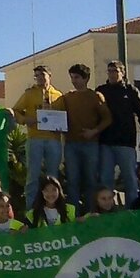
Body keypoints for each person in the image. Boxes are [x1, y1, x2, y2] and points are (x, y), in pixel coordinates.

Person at [52, 64, 111, 209]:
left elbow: (107, 119)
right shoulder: (66, 97)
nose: (74, 81)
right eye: (72, 77)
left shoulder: (96, 96)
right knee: (72, 180)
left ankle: (91, 213)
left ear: (86, 78)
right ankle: (74, 214)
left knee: (91, 180)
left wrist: (94, 131)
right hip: (71, 144)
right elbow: (55, 115)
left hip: (91, 145)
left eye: (77, 77)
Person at [95, 61, 140, 207]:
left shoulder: (131, 91)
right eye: (109, 71)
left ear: (123, 72)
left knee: (131, 180)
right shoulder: (101, 91)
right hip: (105, 143)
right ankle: (107, 212)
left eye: (115, 71)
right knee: (105, 180)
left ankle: (132, 211)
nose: (112, 74)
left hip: (126, 143)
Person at [11, 64, 64, 206]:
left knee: (53, 176)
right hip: (35, 139)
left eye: (42, 75)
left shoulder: (59, 95)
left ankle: (54, 208)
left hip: (53, 140)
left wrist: (60, 127)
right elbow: (16, 110)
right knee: (32, 176)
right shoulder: (29, 94)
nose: (39, 78)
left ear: (49, 76)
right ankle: (31, 209)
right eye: (37, 76)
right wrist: (25, 120)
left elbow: (64, 117)